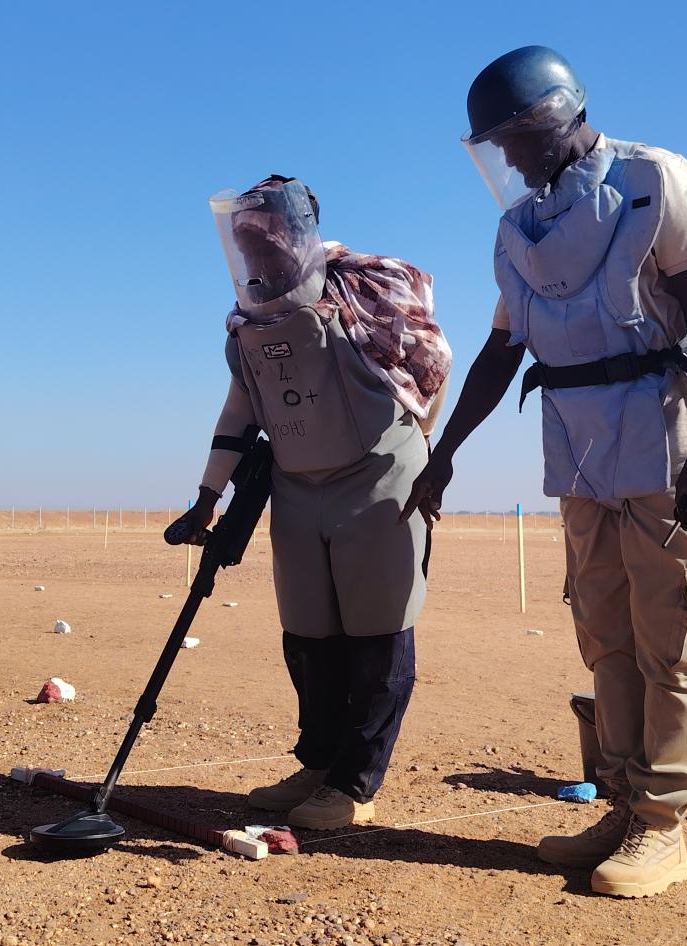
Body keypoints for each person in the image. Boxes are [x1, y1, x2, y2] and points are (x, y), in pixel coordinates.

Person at [402, 46, 687, 897]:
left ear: (554, 117)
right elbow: (500, 352)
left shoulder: (654, 181)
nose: (506, 159)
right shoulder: (519, 231)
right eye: (494, 146)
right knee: (608, 639)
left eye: (513, 138)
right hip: (580, 459)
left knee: (675, 639)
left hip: (667, 447)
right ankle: (622, 805)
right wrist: (443, 456)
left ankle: (664, 828)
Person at [186, 176, 452, 830]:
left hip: (378, 475)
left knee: (377, 634)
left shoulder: (366, 290)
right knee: (308, 635)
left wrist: (426, 453)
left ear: (296, 232)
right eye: (246, 242)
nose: (258, 253)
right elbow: (245, 403)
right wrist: (206, 496)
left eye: (266, 238)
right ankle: (319, 761)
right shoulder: (248, 321)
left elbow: (431, 366)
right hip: (298, 484)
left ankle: (355, 783)